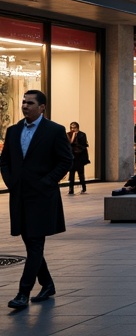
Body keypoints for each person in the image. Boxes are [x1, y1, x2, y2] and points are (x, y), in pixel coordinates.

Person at [1, 90, 73, 310]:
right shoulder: (13, 131)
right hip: (19, 196)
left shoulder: (54, 131)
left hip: (42, 197)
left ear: (42, 107)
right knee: (30, 242)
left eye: (30, 103)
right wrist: (11, 181)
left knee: (34, 243)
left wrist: (47, 181)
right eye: (24, 102)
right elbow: (4, 161)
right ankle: (48, 284)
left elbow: (66, 160)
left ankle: (23, 293)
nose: (25, 106)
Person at [66, 122, 89, 195]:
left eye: (74, 127)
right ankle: (71, 189)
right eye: (71, 127)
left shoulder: (82, 134)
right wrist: (72, 137)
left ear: (77, 128)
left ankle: (83, 187)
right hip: (73, 157)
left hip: (80, 157)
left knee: (81, 173)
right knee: (71, 174)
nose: (73, 129)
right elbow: (68, 144)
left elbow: (83, 145)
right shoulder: (68, 134)